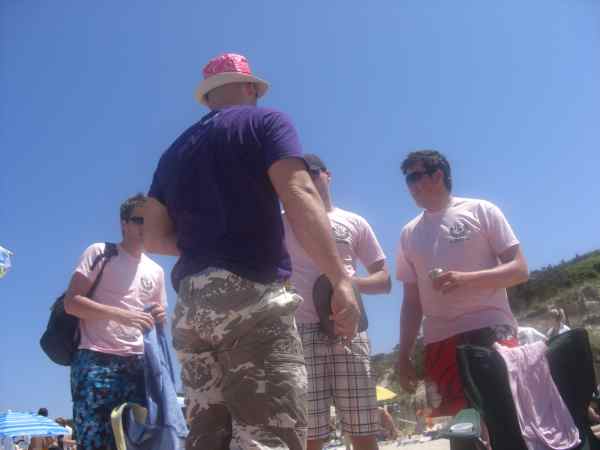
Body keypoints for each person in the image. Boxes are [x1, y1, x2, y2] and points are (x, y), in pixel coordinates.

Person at [143, 53, 360, 450]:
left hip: (192, 306)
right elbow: (297, 191)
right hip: (251, 297)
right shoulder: (266, 122)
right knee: (269, 435)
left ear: (209, 97)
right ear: (249, 88)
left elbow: (152, 237)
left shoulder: (172, 153)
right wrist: (340, 278)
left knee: (208, 439)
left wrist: (207, 244)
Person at [395, 150, 529, 420]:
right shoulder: (408, 234)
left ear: (438, 176)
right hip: (440, 340)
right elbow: (411, 301)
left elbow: (519, 270)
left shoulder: (481, 210)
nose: (410, 186)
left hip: (491, 328)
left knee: (508, 418)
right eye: (407, 180)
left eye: (415, 177)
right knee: (461, 426)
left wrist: (465, 279)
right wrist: (403, 354)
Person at [283, 154, 390, 450]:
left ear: (328, 175)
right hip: (300, 331)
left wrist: (347, 286)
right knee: (308, 434)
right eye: (301, 175)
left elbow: (384, 280)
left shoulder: (354, 221)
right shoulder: (281, 223)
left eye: (314, 172)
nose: (309, 179)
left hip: (350, 329)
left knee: (363, 430)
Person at [63, 194, 167, 450]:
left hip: (139, 363)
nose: (145, 226)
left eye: (150, 221)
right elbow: (71, 303)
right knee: (95, 440)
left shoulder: (156, 271)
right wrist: (122, 314)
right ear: (124, 223)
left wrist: (160, 317)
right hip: (95, 359)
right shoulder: (100, 252)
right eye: (139, 220)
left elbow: (157, 321)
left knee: (137, 442)